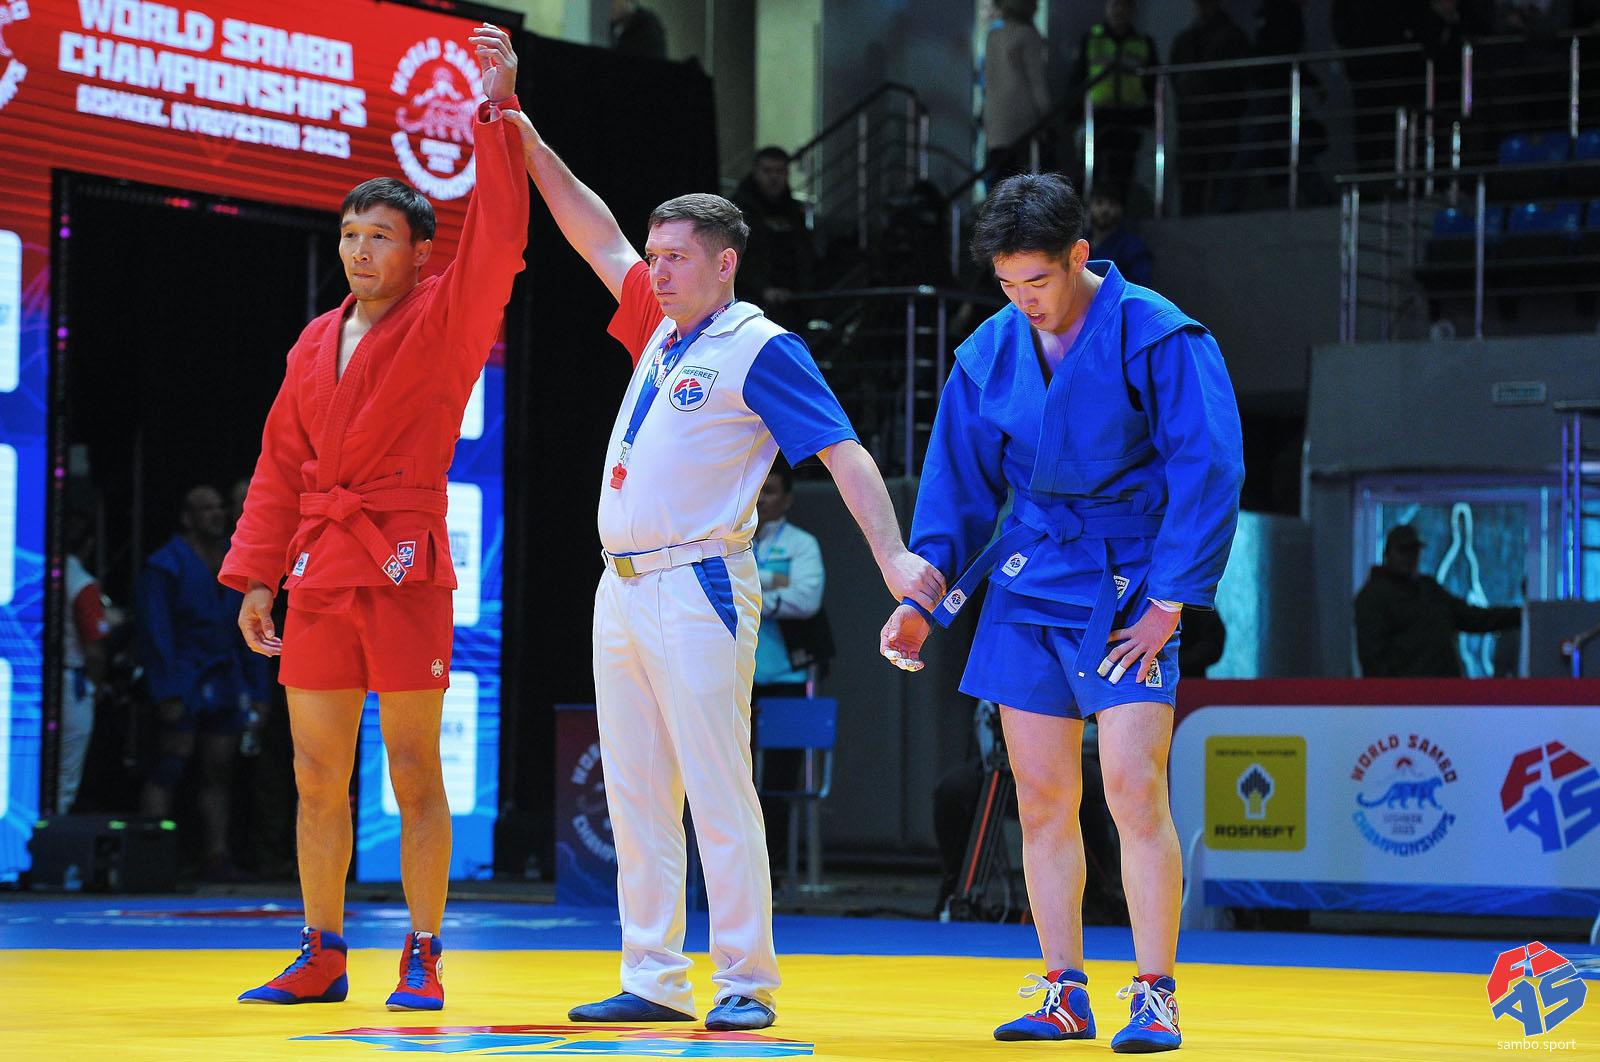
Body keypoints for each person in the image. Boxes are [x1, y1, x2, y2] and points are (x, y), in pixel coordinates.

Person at [501, 107, 944, 1032]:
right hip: (620, 585)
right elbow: (594, 234)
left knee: (716, 782)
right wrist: (523, 131)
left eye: (675, 258)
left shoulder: (759, 345)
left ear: (725, 262)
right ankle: (653, 975)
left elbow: (843, 452)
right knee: (634, 787)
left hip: (698, 581)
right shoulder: (661, 331)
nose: (656, 271)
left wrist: (892, 555)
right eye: (655, 256)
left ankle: (746, 978)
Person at [880, 172, 1243, 1051]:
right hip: (1028, 578)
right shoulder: (987, 352)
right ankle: (1062, 991)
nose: (1024, 301)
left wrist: (1170, 602)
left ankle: (1154, 993)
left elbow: (1207, 467)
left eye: (1037, 280)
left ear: (1080, 255)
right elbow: (956, 492)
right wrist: (921, 600)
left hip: (1128, 581)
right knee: (1042, 799)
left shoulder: (1157, 332)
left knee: (1133, 788)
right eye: (1007, 284)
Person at [221, 25, 528, 1011]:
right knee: (316, 771)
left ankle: (424, 951)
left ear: (419, 251)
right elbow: (279, 464)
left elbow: (500, 240)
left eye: (381, 235)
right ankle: (321, 950)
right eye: (351, 234)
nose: (360, 249)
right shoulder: (314, 341)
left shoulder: (445, 318)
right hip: (318, 570)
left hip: (399, 562)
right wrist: (258, 577)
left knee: (411, 768)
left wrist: (496, 111)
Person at [137, 486, 269, 877]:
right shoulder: (165, 564)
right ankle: (150, 859)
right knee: (170, 764)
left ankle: (216, 856)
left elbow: (251, 627)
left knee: (220, 769)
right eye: (206, 508)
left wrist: (258, 692)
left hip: (225, 678)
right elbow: (156, 632)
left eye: (219, 507)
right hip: (182, 675)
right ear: (188, 517)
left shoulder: (236, 561)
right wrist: (165, 691)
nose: (216, 514)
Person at [751, 461, 827, 865]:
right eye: (758, 490)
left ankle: (776, 871)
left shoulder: (801, 545)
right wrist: (773, 584)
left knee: (779, 782)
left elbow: (806, 599)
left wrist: (750, 598)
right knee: (734, 777)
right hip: (736, 682)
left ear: (787, 499)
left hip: (787, 679)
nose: (762, 499)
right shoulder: (725, 542)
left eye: (771, 491)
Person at [1354, 523, 1521, 677]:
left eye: (1414, 551)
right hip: (1408, 693)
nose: (1410, 557)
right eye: (1403, 551)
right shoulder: (1373, 598)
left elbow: (1471, 617)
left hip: (1441, 690)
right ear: (1388, 554)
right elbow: (1373, 659)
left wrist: (1520, 616)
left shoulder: (1428, 589)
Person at [1170, 0, 1252, 214]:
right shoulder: (1188, 38)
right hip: (1197, 119)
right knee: (1195, 180)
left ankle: (1212, 217)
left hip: (1217, 117)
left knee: (1216, 178)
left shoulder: (1230, 36)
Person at [1069, 0, 1158, 191]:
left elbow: (1152, 83)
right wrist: (1076, 116)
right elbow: (1078, 78)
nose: (1119, 10)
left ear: (1132, 10)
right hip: (1098, 116)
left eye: (1124, 5)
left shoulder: (1143, 42)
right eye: (1115, 5)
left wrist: (1148, 117)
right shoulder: (1092, 38)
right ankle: (1087, 207)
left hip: (1130, 118)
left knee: (1123, 174)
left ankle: (1118, 208)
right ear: (1107, 7)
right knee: (1089, 172)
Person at [58, 506, 112, 814]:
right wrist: (95, 687)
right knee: (64, 781)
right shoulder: (81, 582)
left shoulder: (33, 572)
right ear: (89, 544)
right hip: (70, 684)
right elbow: (94, 650)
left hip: (29, 681)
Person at [731, 148, 817, 333]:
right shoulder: (737, 211)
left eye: (779, 171)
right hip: (749, 302)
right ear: (756, 171)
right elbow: (734, 256)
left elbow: (803, 253)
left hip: (793, 302)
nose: (774, 178)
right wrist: (761, 288)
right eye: (767, 171)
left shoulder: (794, 211)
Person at [984, 0, 1054, 181]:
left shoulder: (993, 36)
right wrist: (1047, 115)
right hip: (1023, 119)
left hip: (996, 119)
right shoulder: (1028, 35)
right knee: (1025, 177)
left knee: (1000, 177)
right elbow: (1037, 81)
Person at [1086, 184, 1152, 287]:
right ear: (1089, 207)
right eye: (1099, 203)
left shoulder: (1133, 248)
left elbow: (1139, 289)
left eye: (1112, 204)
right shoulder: (1076, 242)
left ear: (1121, 209)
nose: (1105, 209)